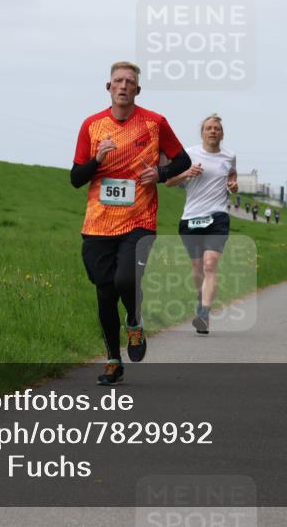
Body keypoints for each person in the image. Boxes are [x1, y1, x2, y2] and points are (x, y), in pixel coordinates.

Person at [71, 61, 191, 385]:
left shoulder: (155, 123)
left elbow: (183, 160)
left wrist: (161, 173)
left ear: (138, 89)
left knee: (126, 279)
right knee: (105, 293)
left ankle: (134, 321)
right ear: (108, 87)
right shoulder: (92, 127)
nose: (123, 86)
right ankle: (113, 360)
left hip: (140, 218)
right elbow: (75, 178)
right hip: (98, 223)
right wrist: (98, 159)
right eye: (117, 81)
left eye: (129, 82)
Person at [166, 113, 237, 335]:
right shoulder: (188, 154)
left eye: (216, 128)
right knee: (197, 268)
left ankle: (204, 314)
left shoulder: (230, 156)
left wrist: (233, 185)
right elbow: (168, 181)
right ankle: (201, 298)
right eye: (209, 128)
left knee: (209, 264)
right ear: (202, 132)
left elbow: (231, 175)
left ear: (222, 133)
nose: (213, 131)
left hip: (218, 217)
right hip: (192, 217)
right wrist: (187, 172)